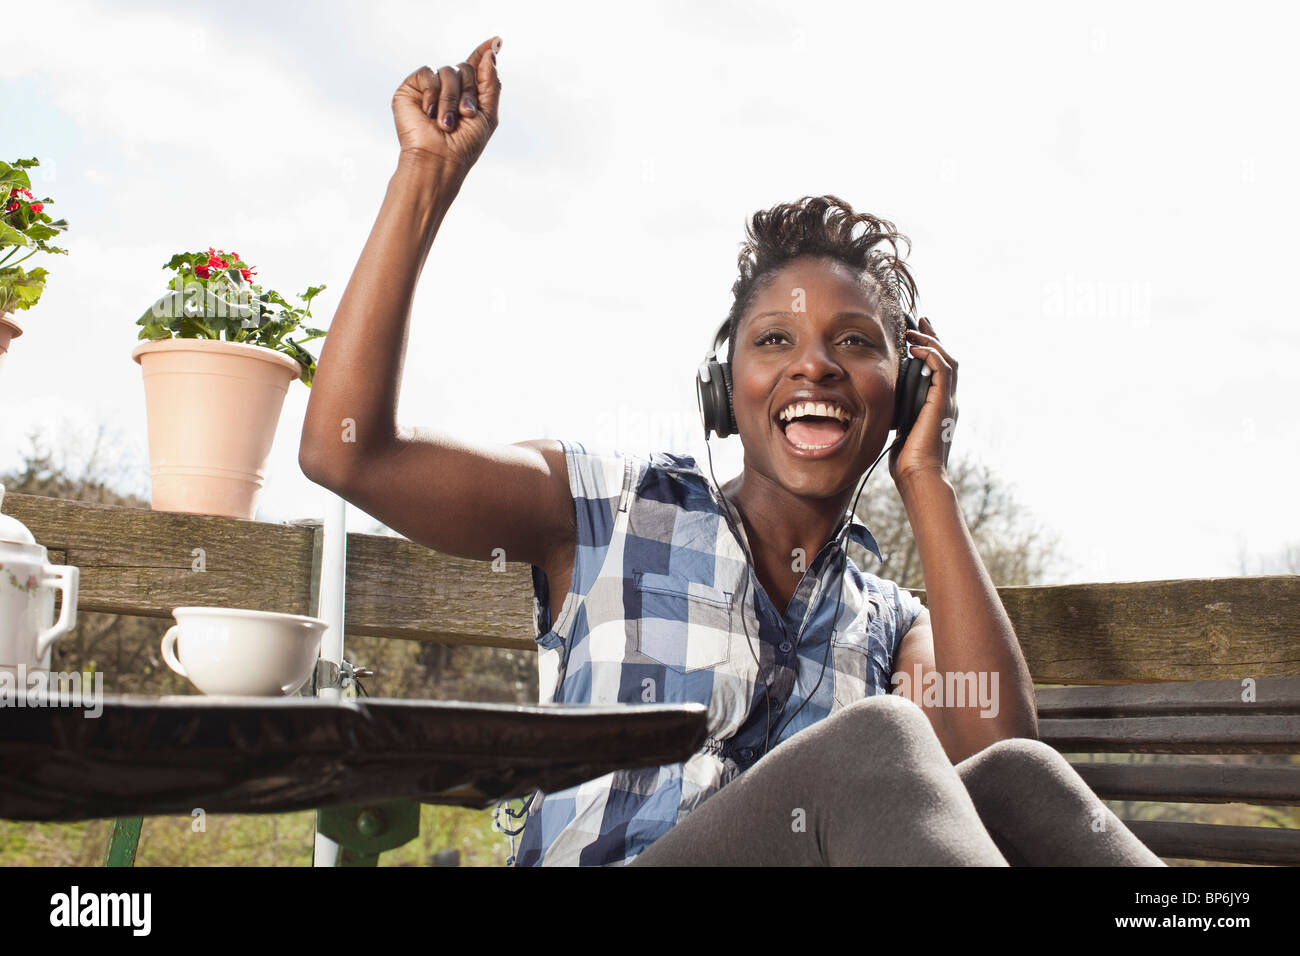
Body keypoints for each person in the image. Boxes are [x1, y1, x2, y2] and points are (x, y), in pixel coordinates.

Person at [298, 36, 1165, 868]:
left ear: (904, 393)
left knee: (1020, 778)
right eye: (775, 339)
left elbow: (999, 756)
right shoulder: (608, 507)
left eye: (855, 342)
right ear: (725, 389)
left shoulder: (891, 623)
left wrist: (925, 474)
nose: (814, 365)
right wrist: (425, 175)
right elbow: (350, 454)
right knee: (876, 738)